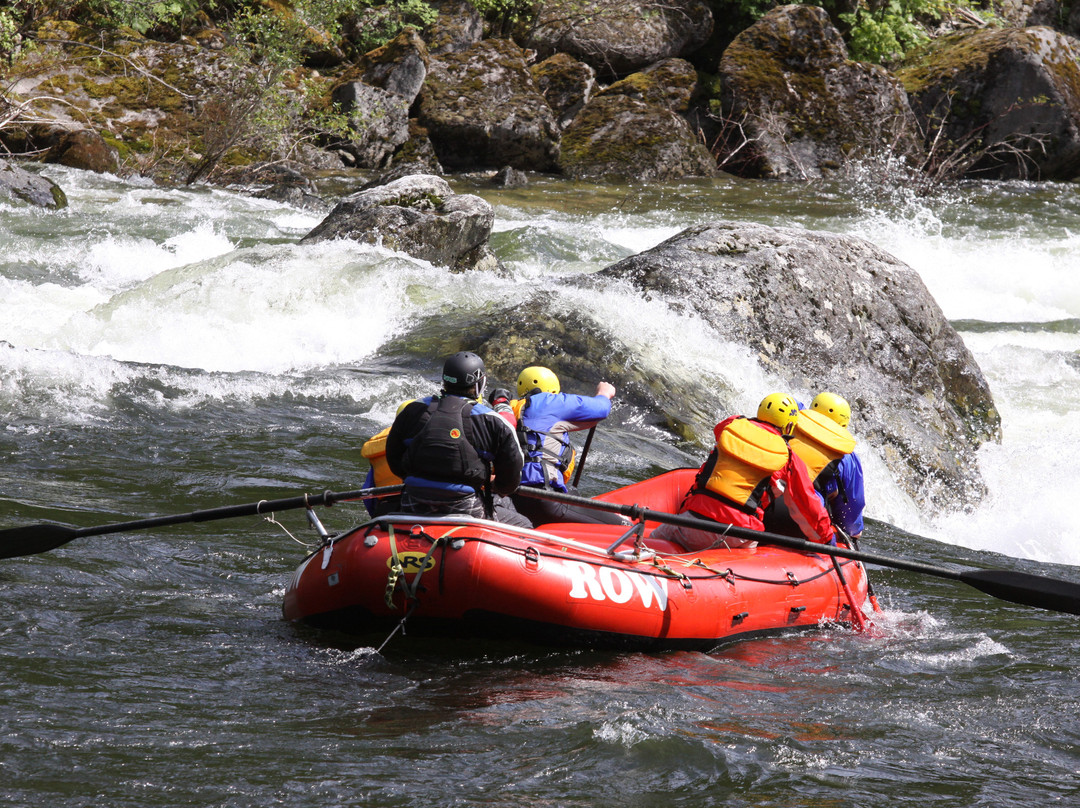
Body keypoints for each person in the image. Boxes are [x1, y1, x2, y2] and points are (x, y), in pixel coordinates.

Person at [652, 393, 837, 551]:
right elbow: (807, 504)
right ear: (789, 427)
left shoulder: (731, 426)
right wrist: (827, 541)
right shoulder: (789, 457)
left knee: (648, 542)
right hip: (740, 536)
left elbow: (719, 430)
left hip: (692, 522)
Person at [384, 351, 531, 528]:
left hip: (413, 501)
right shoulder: (492, 420)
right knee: (524, 524)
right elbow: (511, 478)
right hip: (465, 508)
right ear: (479, 384)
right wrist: (495, 486)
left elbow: (394, 460)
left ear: (445, 380)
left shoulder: (413, 410)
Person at [509, 365, 628, 527]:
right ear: (553, 389)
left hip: (512, 501)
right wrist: (604, 393)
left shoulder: (509, 410)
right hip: (544, 501)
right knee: (626, 528)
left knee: (573, 492)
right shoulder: (549, 401)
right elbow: (601, 409)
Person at [806, 391, 865, 538]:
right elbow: (850, 521)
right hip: (807, 521)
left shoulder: (788, 429)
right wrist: (852, 531)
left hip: (765, 510)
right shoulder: (847, 458)